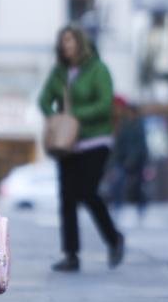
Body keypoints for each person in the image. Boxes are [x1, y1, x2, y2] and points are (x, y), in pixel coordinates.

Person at [38, 25, 125, 272]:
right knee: (67, 197)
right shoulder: (60, 72)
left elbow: (105, 103)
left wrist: (74, 116)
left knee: (87, 192)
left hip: (95, 140)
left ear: (81, 43)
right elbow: (44, 100)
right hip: (67, 144)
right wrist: (55, 119)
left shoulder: (98, 69)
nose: (67, 46)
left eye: (71, 40)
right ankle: (71, 254)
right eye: (63, 41)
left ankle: (113, 238)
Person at [108, 96, 149, 225]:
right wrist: (115, 161)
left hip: (137, 160)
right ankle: (117, 207)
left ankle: (141, 208)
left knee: (138, 186)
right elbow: (119, 144)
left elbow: (141, 145)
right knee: (118, 184)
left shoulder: (139, 125)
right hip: (123, 160)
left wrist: (134, 158)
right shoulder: (124, 125)